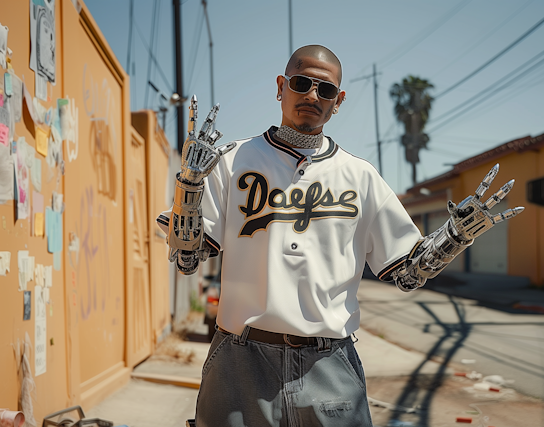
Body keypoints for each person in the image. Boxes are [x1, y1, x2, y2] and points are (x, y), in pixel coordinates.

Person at [157, 45, 523, 427]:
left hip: (329, 362)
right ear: (281, 87)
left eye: (326, 90)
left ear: (339, 100)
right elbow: (188, 259)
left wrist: (455, 236)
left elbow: (407, 273)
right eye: (301, 83)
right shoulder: (231, 161)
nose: (313, 96)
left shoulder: (360, 176)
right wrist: (190, 184)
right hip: (241, 359)